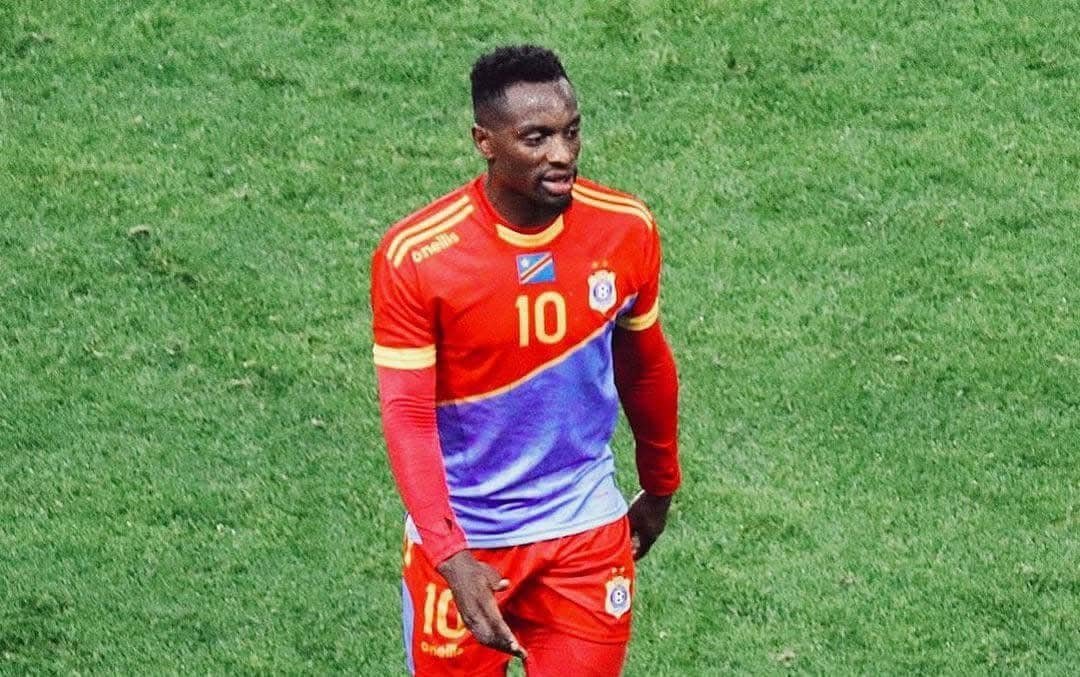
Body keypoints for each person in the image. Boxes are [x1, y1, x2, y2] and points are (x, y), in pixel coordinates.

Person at [370, 44, 681, 676]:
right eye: (536, 138)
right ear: (484, 141)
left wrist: (660, 484)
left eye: (571, 132)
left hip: (584, 536)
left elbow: (646, 366)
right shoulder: (417, 258)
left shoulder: (625, 228)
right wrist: (450, 555)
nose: (562, 154)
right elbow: (408, 417)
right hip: (468, 543)